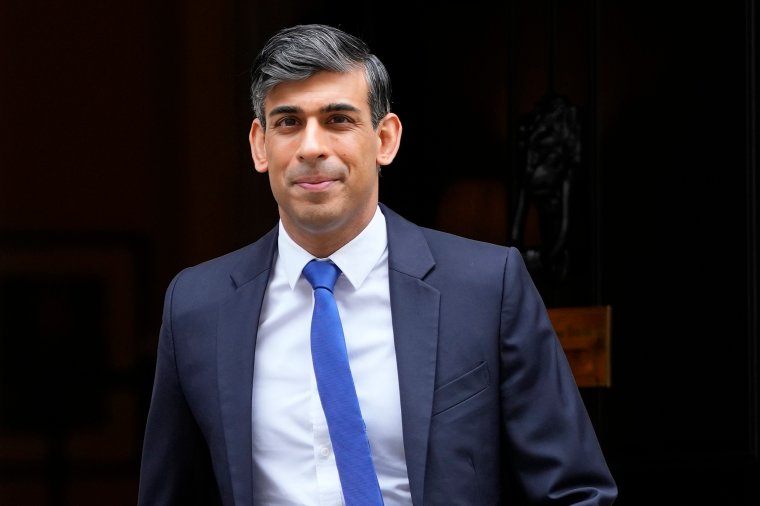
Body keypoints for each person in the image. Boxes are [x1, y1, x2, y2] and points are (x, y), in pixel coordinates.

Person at [137, 23, 618, 506]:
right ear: (260, 145)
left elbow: (576, 492)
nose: (311, 147)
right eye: (288, 122)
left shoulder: (486, 289)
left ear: (385, 139)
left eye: (338, 120)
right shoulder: (197, 307)